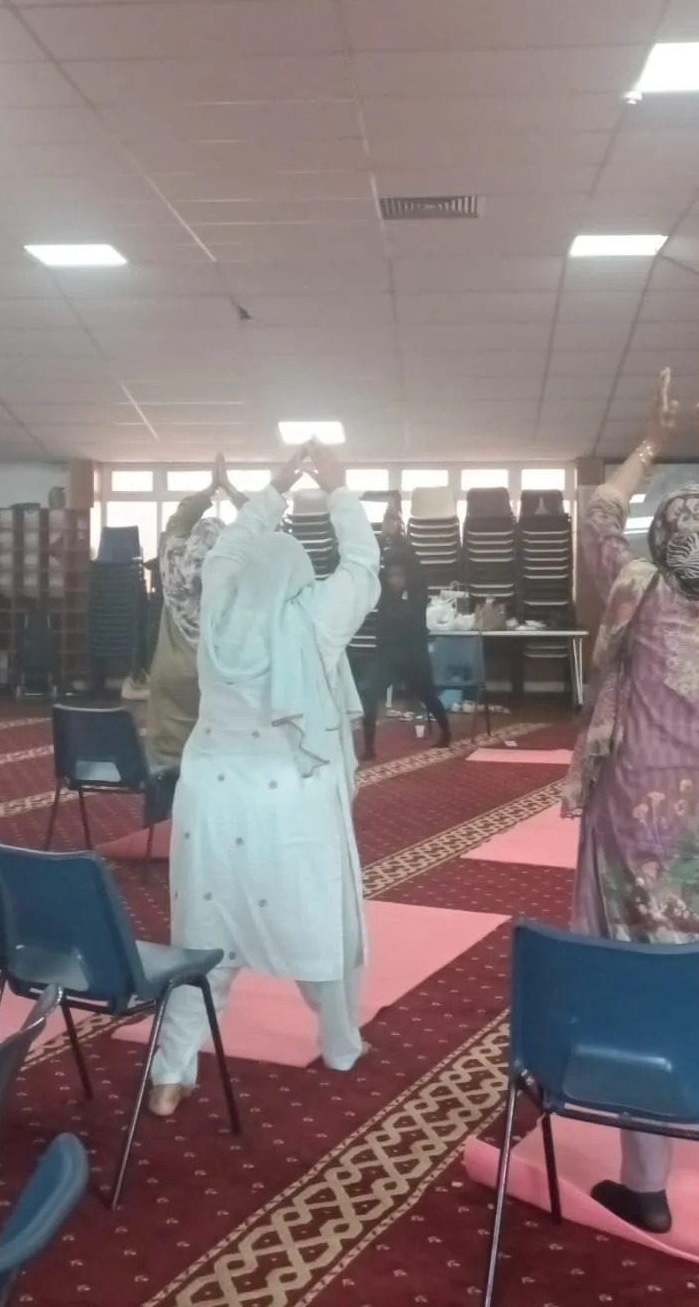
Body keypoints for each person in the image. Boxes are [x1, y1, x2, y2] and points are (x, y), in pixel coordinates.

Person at [562, 363, 699, 1234]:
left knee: (640, 976)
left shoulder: (633, 595)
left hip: (637, 823)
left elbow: (598, 511)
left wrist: (651, 441)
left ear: (659, 551)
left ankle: (644, 1181)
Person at [147, 440, 379, 1116]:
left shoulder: (216, 609)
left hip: (211, 798)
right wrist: (335, 489)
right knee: (320, 928)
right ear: (298, 578)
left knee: (203, 935)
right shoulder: (312, 620)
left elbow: (228, 551)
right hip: (291, 803)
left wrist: (273, 487)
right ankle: (340, 1044)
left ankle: (170, 1073)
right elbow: (363, 564)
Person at [144, 453, 243, 777]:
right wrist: (234, 493)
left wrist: (209, 490)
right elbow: (265, 530)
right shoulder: (238, 587)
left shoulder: (173, 566)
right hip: (218, 674)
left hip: (171, 677)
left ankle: (161, 816)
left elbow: (177, 523)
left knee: (167, 764)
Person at [358, 543, 450, 759]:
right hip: (387, 657)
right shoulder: (383, 595)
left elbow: (413, 563)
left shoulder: (418, 595)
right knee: (368, 692)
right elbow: (375, 568)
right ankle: (369, 747)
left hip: (413, 656)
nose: (394, 581)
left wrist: (398, 539)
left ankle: (446, 732)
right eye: (391, 576)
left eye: (399, 576)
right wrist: (387, 539)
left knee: (428, 696)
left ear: (408, 576)